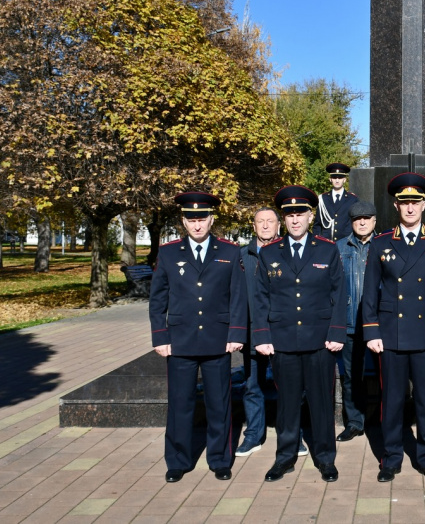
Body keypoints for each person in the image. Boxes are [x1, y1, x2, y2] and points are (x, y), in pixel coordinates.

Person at [361, 172, 425, 483]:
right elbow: (369, 292)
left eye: (415, 202)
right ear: (395, 205)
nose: (409, 208)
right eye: (404, 202)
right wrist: (372, 331)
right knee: (391, 400)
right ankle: (390, 457)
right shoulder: (380, 243)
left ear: (424, 204)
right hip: (390, 335)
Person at [148, 191, 247, 483]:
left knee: (219, 404)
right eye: (191, 219)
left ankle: (219, 459)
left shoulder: (230, 252)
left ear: (212, 219)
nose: (197, 225)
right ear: (183, 221)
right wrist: (160, 337)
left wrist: (236, 333)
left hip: (218, 340)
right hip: (180, 342)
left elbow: (237, 298)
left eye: (202, 218)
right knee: (180, 404)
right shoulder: (167, 253)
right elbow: (157, 300)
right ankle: (178, 461)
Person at [252, 186, 347, 483]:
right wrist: (263, 336)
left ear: (310, 216)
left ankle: (325, 458)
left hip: (320, 341)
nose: (295, 220)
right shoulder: (268, 253)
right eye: (290, 214)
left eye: (301, 214)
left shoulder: (327, 249)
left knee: (322, 402)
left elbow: (339, 294)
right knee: (287, 403)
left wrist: (336, 332)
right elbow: (259, 298)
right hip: (282, 340)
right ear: (284, 218)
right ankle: (285, 457)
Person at [236, 207, 280, 457]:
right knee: (252, 385)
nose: (265, 226)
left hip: (280, 333)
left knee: (288, 387)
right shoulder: (242, 256)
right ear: (253, 227)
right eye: (260, 222)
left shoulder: (287, 253)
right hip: (253, 332)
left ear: (278, 226)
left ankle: (291, 435)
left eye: (270, 221)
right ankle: (254, 434)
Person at [336, 200, 377, 442]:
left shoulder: (384, 245)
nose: (362, 222)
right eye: (357, 219)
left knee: (387, 376)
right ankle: (354, 422)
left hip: (379, 325)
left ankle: (385, 419)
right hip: (350, 324)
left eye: (366, 218)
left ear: (374, 221)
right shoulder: (339, 248)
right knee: (351, 377)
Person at [313, 162, 359, 241]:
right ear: (330, 179)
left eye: (340, 177)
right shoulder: (322, 199)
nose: (337, 180)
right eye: (334, 177)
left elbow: (355, 222)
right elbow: (317, 224)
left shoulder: (352, 199)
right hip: (326, 243)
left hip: (346, 243)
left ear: (344, 180)